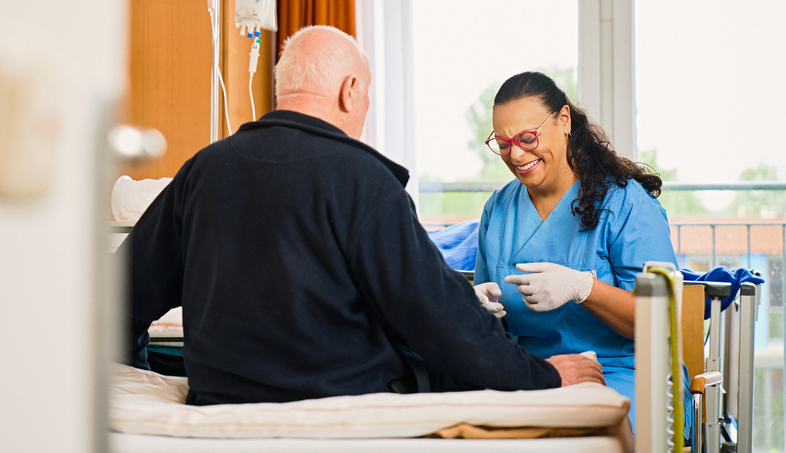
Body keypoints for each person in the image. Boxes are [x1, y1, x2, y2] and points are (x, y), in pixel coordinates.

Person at [119, 26, 603, 406]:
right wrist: (543, 376)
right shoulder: (364, 181)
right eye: (366, 95)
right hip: (344, 403)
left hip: (219, 405)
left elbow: (117, 299)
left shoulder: (203, 171)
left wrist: (135, 375)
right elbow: (443, 327)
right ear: (351, 91)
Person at [472, 70, 691, 433]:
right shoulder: (498, 211)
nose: (517, 154)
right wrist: (476, 309)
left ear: (563, 120)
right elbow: (491, 328)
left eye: (528, 137)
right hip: (534, 374)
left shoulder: (625, 204)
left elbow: (658, 321)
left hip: (622, 373)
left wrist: (583, 288)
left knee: (575, 433)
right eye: (504, 143)